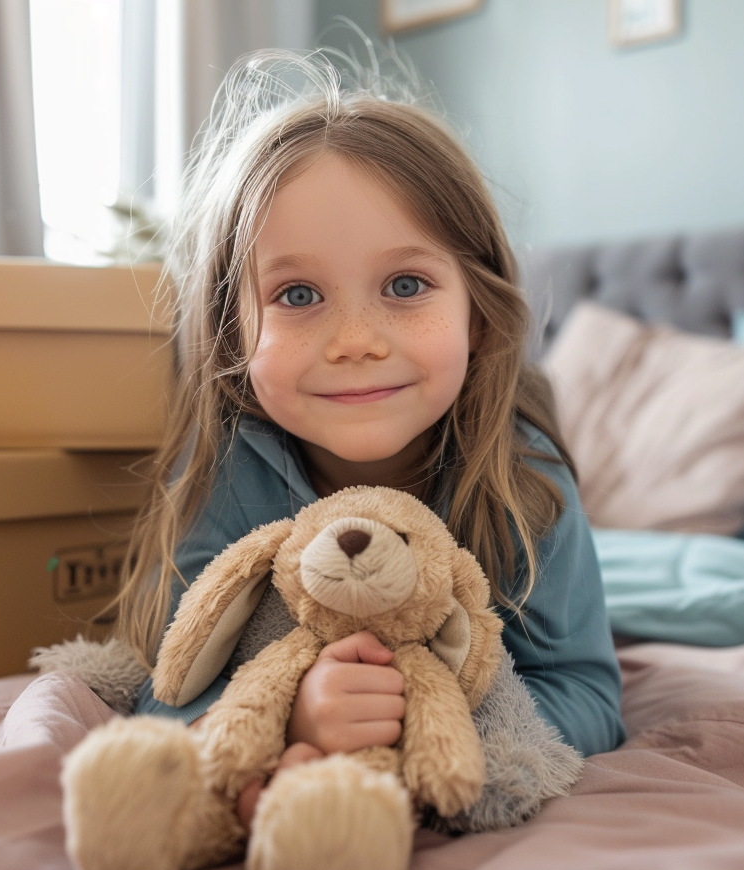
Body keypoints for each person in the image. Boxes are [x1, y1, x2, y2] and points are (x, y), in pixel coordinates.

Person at [118, 49, 625, 828]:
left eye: (405, 286)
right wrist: (297, 719)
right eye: (297, 294)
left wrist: (420, 724)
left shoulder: (526, 477)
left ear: (478, 312)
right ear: (231, 333)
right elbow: (173, 688)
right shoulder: (227, 468)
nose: (356, 339)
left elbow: (586, 692)